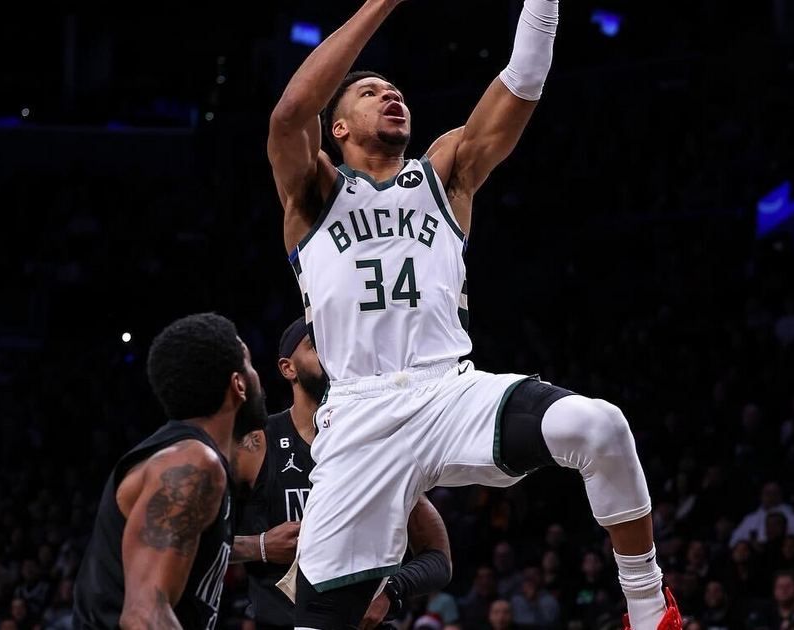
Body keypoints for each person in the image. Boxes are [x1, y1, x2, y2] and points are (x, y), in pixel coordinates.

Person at [266, 0, 678, 629]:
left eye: (397, 91)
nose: (391, 96)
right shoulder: (313, 191)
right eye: (371, 93)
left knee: (598, 426)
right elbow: (291, 112)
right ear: (338, 128)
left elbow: (525, 76)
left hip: (449, 391)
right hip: (357, 416)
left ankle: (648, 610)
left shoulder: (445, 174)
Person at [229, 317, 454, 628]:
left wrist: (391, 591)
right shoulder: (257, 444)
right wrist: (261, 546)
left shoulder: (379, 441)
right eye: (317, 345)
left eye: (337, 343)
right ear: (287, 368)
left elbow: (438, 557)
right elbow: (195, 540)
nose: (332, 352)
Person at [74, 313, 270, 629]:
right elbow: (143, 615)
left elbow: (180, 542)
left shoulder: (186, 458)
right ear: (238, 384)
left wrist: (260, 546)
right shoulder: (194, 464)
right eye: (250, 365)